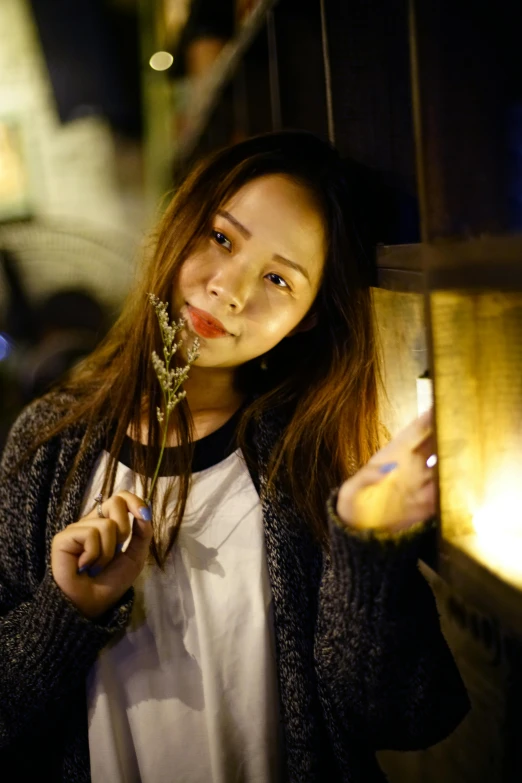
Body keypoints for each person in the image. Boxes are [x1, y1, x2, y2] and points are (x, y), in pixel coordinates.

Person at [0, 131, 469, 782]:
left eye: (278, 278)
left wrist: (367, 547)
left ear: (306, 317)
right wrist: (66, 609)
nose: (230, 289)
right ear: (180, 222)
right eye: (221, 238)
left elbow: (409, 716)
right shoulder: (46, 445)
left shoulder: (310, 459)